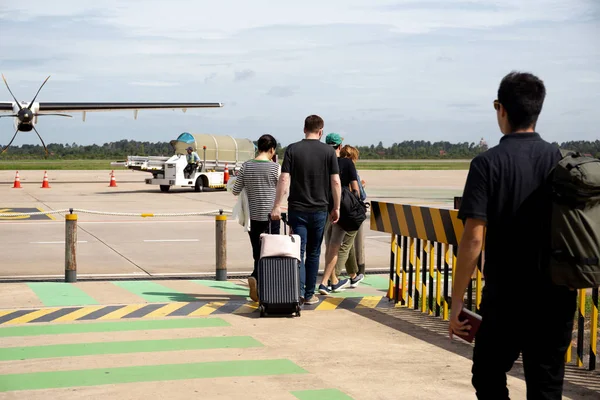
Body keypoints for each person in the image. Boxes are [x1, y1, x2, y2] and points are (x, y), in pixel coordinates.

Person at [449, 71, 576, 400]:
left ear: (501, 110)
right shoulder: (561, 161)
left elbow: (473, 239)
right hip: (556, 295)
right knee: (546, 386)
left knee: (488, 375)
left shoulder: (486, 164)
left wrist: (457, 299)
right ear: (537, 110)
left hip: (505, 298)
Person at [271, 115, 341, 305]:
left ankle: (298, 291)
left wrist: (277, 205)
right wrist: (336, 207)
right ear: (321, 131)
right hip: (319, 209)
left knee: (297, 251)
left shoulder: (293, 149)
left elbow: (284, 179)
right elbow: (335, 181)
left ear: (304, 129)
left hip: (297, 209)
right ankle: (310, 294)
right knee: (314, 252)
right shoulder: (328, 152)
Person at [232, 134, 280, 302]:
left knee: (257, 253)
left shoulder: (246, 166)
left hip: (253, 218)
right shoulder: (275, 168)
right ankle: (258, 279)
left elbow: (236, 189)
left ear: (258, 148)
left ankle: (257, 284)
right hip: (271, 217)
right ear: (272, 150)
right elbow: (282, 191)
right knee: (270, 253)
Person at [318, 135, 364, 295]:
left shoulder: (322, 163)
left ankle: (332, 279)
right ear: (340, 146)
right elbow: (355, 189)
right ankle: (331, 280)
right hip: (341, 209)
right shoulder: (347, 163)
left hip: (324, 207)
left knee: (328, 245)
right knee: (336, 247)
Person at [341, 145, 367, 276]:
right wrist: (361, 186)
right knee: (346, 244)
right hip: (350, 210)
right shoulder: (351, 168)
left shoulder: (335, 166)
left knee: (345, 244)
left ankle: (353, 274)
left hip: (337, 208)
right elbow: (359, 194)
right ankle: (333, 275)